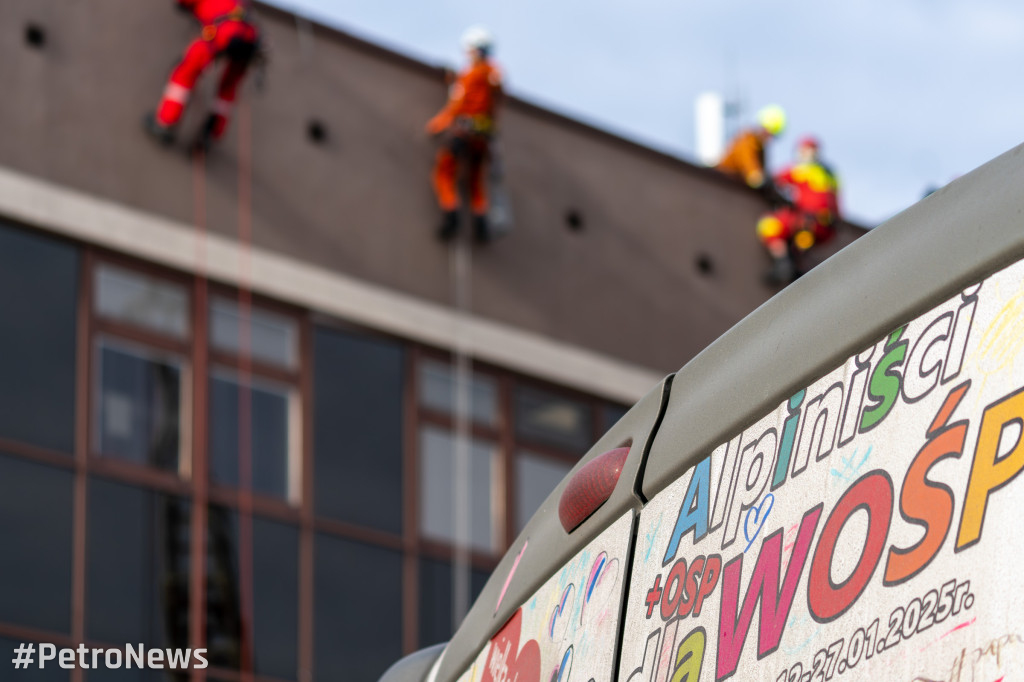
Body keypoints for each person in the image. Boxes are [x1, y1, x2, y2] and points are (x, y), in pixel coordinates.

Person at [145, 0, 261, 148]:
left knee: (185, 72)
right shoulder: (240, 5)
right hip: (249, 42)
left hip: (222, 33)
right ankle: (211, 133)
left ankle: (165, 123)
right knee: (227, 89)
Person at [426, 26, 504, 243]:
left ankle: (451, 215)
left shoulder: (471, 75)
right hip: (484, 136)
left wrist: (436, 126)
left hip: (465, 132)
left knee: (444, 172)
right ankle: (481, 225)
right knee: (476, 182)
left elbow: (457, 104)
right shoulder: (493, 74)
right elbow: (493, 98)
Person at [756, 136, 841, 283]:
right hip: (826, 227)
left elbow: (774, 179)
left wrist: (760, 179)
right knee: (802, 240)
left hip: (807, 221)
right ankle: (798, 267)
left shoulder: (802, 170)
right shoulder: (831, 174)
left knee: (769, 225)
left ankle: (782, 263)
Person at [717, 105, 787, 190]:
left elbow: (761, 173)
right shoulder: (746, 142)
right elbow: (754, 178)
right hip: (722, 185)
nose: (770, 139)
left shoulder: (760, 149)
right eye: (770, 134)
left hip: (734, 188)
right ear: (764, 128)